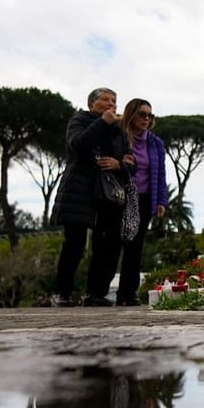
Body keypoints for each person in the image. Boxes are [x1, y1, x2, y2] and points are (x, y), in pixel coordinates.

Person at [50, 87, 135, 307]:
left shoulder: (120, 130)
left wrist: (120, 165)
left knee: (107, 246)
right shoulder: (80, 119)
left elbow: (130, 165)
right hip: (79, 191)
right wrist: (102, 123)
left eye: (114, 100)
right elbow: (78, 144)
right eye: (105, 100)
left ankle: (96, 293)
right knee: (74, 244)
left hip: (108, 194)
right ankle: (62, 293)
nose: (111, 104)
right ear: (91, 104)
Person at [115, 99, 169, 306]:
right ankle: (97, 292)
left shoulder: (155, 143)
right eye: (142, 114)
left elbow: (161, 175)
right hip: (120, 197)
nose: (147, 119)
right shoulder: (119, 135)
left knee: (135, 247)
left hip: (144, 199)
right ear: (131, 114)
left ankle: (128, 293)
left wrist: (161, 201)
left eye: (150, 115)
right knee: (113, 244)